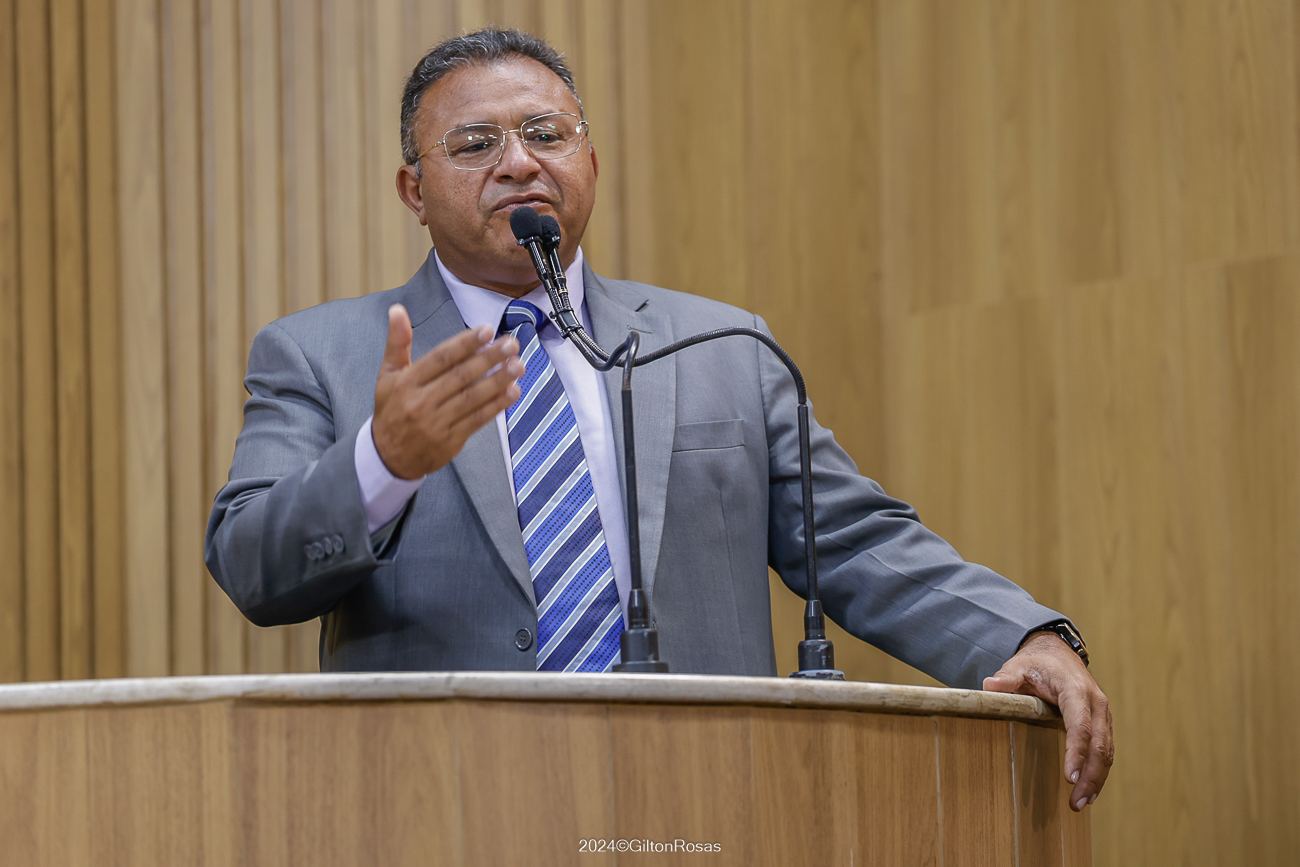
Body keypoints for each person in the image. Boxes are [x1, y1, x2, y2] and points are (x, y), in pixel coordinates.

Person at [205, 28, 1112, 811]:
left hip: (704, 802)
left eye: (546, 134)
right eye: (475, 143)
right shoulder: (321, 353)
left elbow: (855, 540)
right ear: (414, 191)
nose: (518, 163)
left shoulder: (723, 345)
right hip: (444, 808)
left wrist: (1021, 635)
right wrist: (382, 462)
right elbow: (250, 564)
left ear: (590, 164)